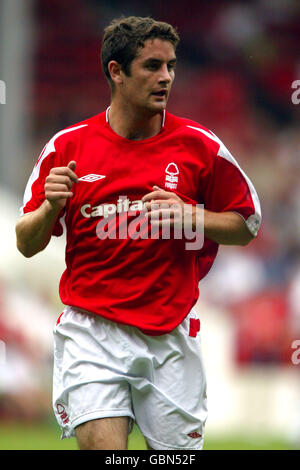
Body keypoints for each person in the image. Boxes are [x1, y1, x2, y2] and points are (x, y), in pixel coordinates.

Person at [15, 16, 261, 450]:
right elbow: (26, 242)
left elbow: (247, 224)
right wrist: (51, 207)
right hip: (92, 331)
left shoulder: (200, 146)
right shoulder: (68, 147)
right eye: (151, 66)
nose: (165, 77)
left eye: (170, 66)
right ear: (116, 71)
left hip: (170, 333)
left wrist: (193, 216)